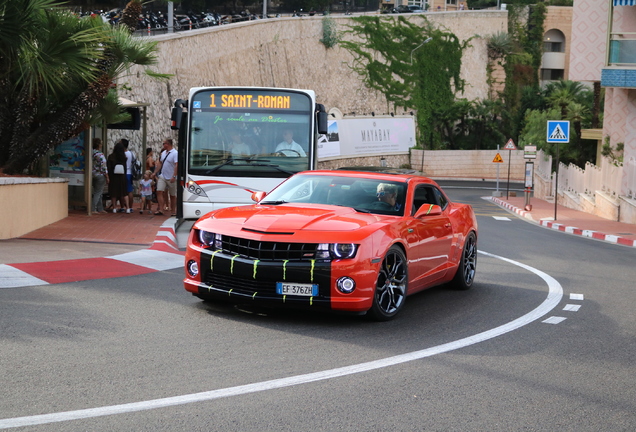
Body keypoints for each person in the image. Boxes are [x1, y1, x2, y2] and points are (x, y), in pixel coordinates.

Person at [154, 138, 178, 216]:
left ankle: (173, 210)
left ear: (168, 144)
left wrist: (174, 176)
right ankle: (161, 209)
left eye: (164, 143)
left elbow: (176, 165)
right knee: (159, 191)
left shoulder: (175, 153)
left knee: (172, 195)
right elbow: (160, 163)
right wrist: (155, 172)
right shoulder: (163, 153)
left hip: (171, 176)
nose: (163, 145)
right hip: (163, 176)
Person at [107, 141, 129, 213]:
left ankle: (114, 208)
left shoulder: (111, 157)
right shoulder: (124, 158)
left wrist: (109, 176)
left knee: (114, 193)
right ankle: (128, 208)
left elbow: (109, 168)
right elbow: (125, 168)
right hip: (122, 177)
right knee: (124, 193)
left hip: (113, 177)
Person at [91, 138, 109, 213]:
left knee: (98, 192)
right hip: (100, 175)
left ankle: (100, 208)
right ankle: (93, 208)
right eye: (101, 143)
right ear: (99, 145)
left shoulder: (91, 153)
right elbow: (104, 167)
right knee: (98, 192)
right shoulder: (100, 155)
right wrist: (107, 177)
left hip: (92, 174)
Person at [121, 138, 135, 214]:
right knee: (129, 191)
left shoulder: (121, 154)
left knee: (123, 191)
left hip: (123, 173)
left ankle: (123, 207)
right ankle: (130, 207)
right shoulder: (131, 153)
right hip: (130, 172)